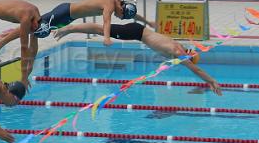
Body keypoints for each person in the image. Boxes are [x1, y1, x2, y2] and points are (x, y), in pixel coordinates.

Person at [0, 0, 138, 83]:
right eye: (121, 16)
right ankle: (1, 42)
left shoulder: (115, 1)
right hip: (64, 13)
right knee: (32, 28)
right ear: (122, 8)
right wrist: (106, 38)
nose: (119, 18)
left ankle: (5, 38)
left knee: (33, 29)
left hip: (67, 17)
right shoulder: (110, 4)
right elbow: (106, 21)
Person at [53, 20, 223, 95]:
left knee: (101, 29)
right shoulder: (178, 53)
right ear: (188, 57)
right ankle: (69, 28)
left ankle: (69, 29)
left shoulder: (178, 46)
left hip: (138, 30)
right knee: (100, 29)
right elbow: (197, 70)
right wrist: (212, 81)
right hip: (136, 33)